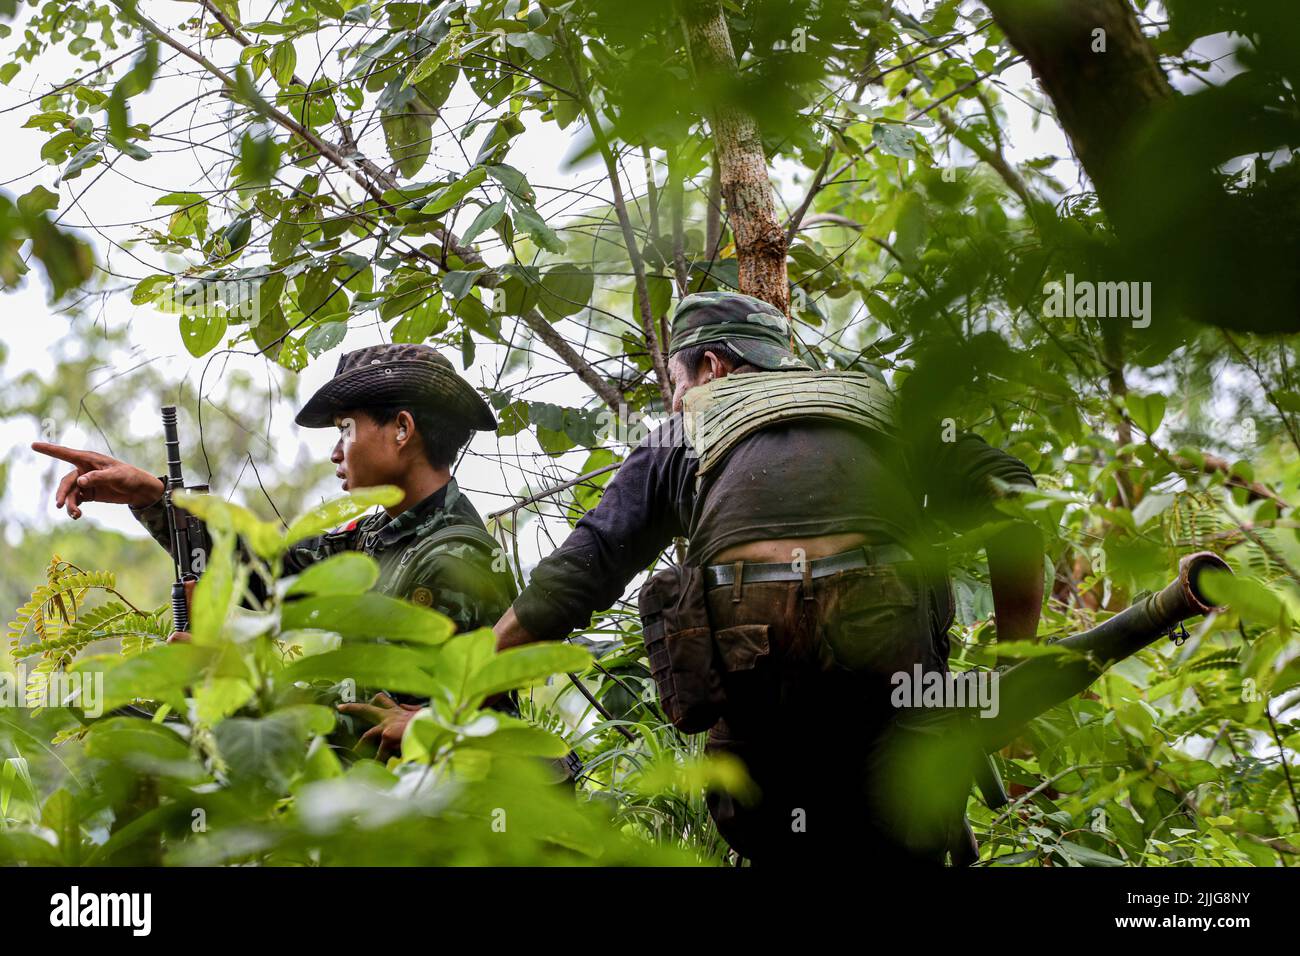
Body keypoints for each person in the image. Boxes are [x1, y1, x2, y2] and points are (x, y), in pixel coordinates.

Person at [487, 290, 1046, 865]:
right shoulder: (882, 408)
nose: (676, 402)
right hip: (884, 640)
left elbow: (580, 569)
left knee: (778, 832)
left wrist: (463, 681)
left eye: (675, 384)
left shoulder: (683, 433)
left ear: (712, 366)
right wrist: (1014, 669)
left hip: (753, 645)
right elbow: (1017, 504)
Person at [33, 343, 515, 759]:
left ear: (403, 430)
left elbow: (370, 729)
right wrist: (153, 496)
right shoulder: (380, 536)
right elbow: (269, 573)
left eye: (346, 429)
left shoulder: (451, 556)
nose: (335, 452)